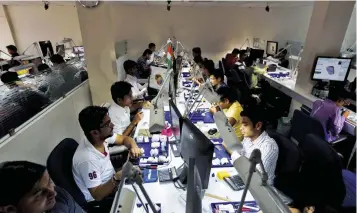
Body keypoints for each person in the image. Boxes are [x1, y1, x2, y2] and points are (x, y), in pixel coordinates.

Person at [72, 106, 142, 212]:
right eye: (107, 124)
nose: (112, 125)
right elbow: (97, 195)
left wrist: (134, 146)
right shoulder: (87, 159)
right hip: (104, 200)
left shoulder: (100, 138)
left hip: (113, 183)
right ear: (95, 132)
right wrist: (117, 178)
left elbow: (124, 139)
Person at [231, 105, 292, 204]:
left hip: (263, 191)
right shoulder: (248, 137)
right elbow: (240, 153)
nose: (241, 128)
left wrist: (237, 157)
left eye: (245, 125)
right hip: (247, 180)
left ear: (258, 125)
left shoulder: (268, 147)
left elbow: (255, 177)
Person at [0, 161, 86, 213]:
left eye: (50, 182)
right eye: (39, 194)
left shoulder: (60, 198)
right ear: (10, 210)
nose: (54, 193)